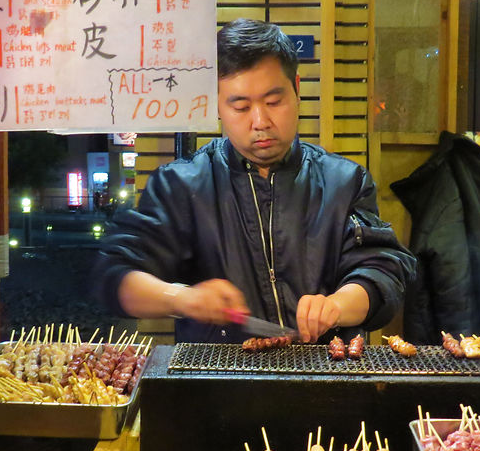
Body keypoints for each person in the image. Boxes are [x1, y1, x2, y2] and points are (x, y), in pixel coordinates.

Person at [93, 18, 415, 344]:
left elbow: (384, 271)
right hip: (218, 384)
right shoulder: (181, 185)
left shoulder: (344, 182)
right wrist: (182, 298)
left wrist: (337, 305)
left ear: (297, 89)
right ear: (217, 104)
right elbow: (114, 274)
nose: (260, 121)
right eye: (241, 106)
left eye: (273, 102)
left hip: (326, 377)